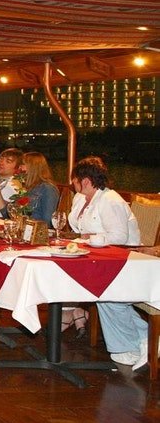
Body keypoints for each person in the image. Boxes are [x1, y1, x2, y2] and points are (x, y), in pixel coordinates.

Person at [66, 157, 145, 369]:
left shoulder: (111, 200)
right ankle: (143, 338)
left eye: (75, 180)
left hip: (126, 260)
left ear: (85, 181)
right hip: (97, 258)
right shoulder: (81, 199)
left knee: (104, 292)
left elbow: (119, 237)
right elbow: (77, 229)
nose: (73, 184)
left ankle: (130, 345)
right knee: (90, 285)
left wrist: (89, 238)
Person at [18, 152, 59, 224]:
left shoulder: (48, 189)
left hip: (36, 229)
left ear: (32, 168)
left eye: (23, 164)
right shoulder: (28, 187)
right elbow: (10, 212)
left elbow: (47, 221)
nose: (20, 168)